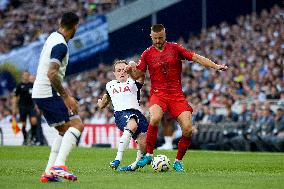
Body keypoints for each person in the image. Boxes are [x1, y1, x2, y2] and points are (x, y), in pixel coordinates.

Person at [124, 24, 228, 172]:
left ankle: (178, 161)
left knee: (188, 129)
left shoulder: (175, 48)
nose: (159, 41)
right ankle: (148, 154)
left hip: (176, 95)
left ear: (165, 35)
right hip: (158, 94)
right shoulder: (147, 54)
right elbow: (138, 75)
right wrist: (130, 71)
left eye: (161, 38)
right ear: (151, 37)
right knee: (154, 118)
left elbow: (196, 57)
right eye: (156, 38)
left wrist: (215, 66)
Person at [32, 12, 83, 182]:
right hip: (48, 92)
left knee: (63, 130)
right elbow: (52, 73)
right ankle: (59, 166)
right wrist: (66, 96)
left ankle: (48, 173)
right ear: (75, 26)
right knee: (76, 125)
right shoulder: (61, 45)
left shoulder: (52, 37)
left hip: (40, 92)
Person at [98, 60, 148, 171]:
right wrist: (100, 103)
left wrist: (133, 67)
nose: (121, 72)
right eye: (118, 70)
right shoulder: (110, 85)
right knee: (132, 125)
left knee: (144, 144)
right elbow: (105, 100)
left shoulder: (133, 82)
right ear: (114, 73)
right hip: (121, 113)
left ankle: (132, 167)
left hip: (138, 113)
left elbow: (142, 75)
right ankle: (117, 158)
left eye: (124, 70)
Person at [12, 71, 38, 145]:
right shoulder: (19, 85)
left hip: (31, 106)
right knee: (24, 124)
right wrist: (14, 108)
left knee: (34, 121)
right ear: (22, 76)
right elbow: (15, 97)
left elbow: (36, 96)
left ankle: (33, 138)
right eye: (25, 75)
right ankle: (25, 139)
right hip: (22, 107)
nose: (26, 76)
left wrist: (37, 105)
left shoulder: (32, 85)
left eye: (27, 75)